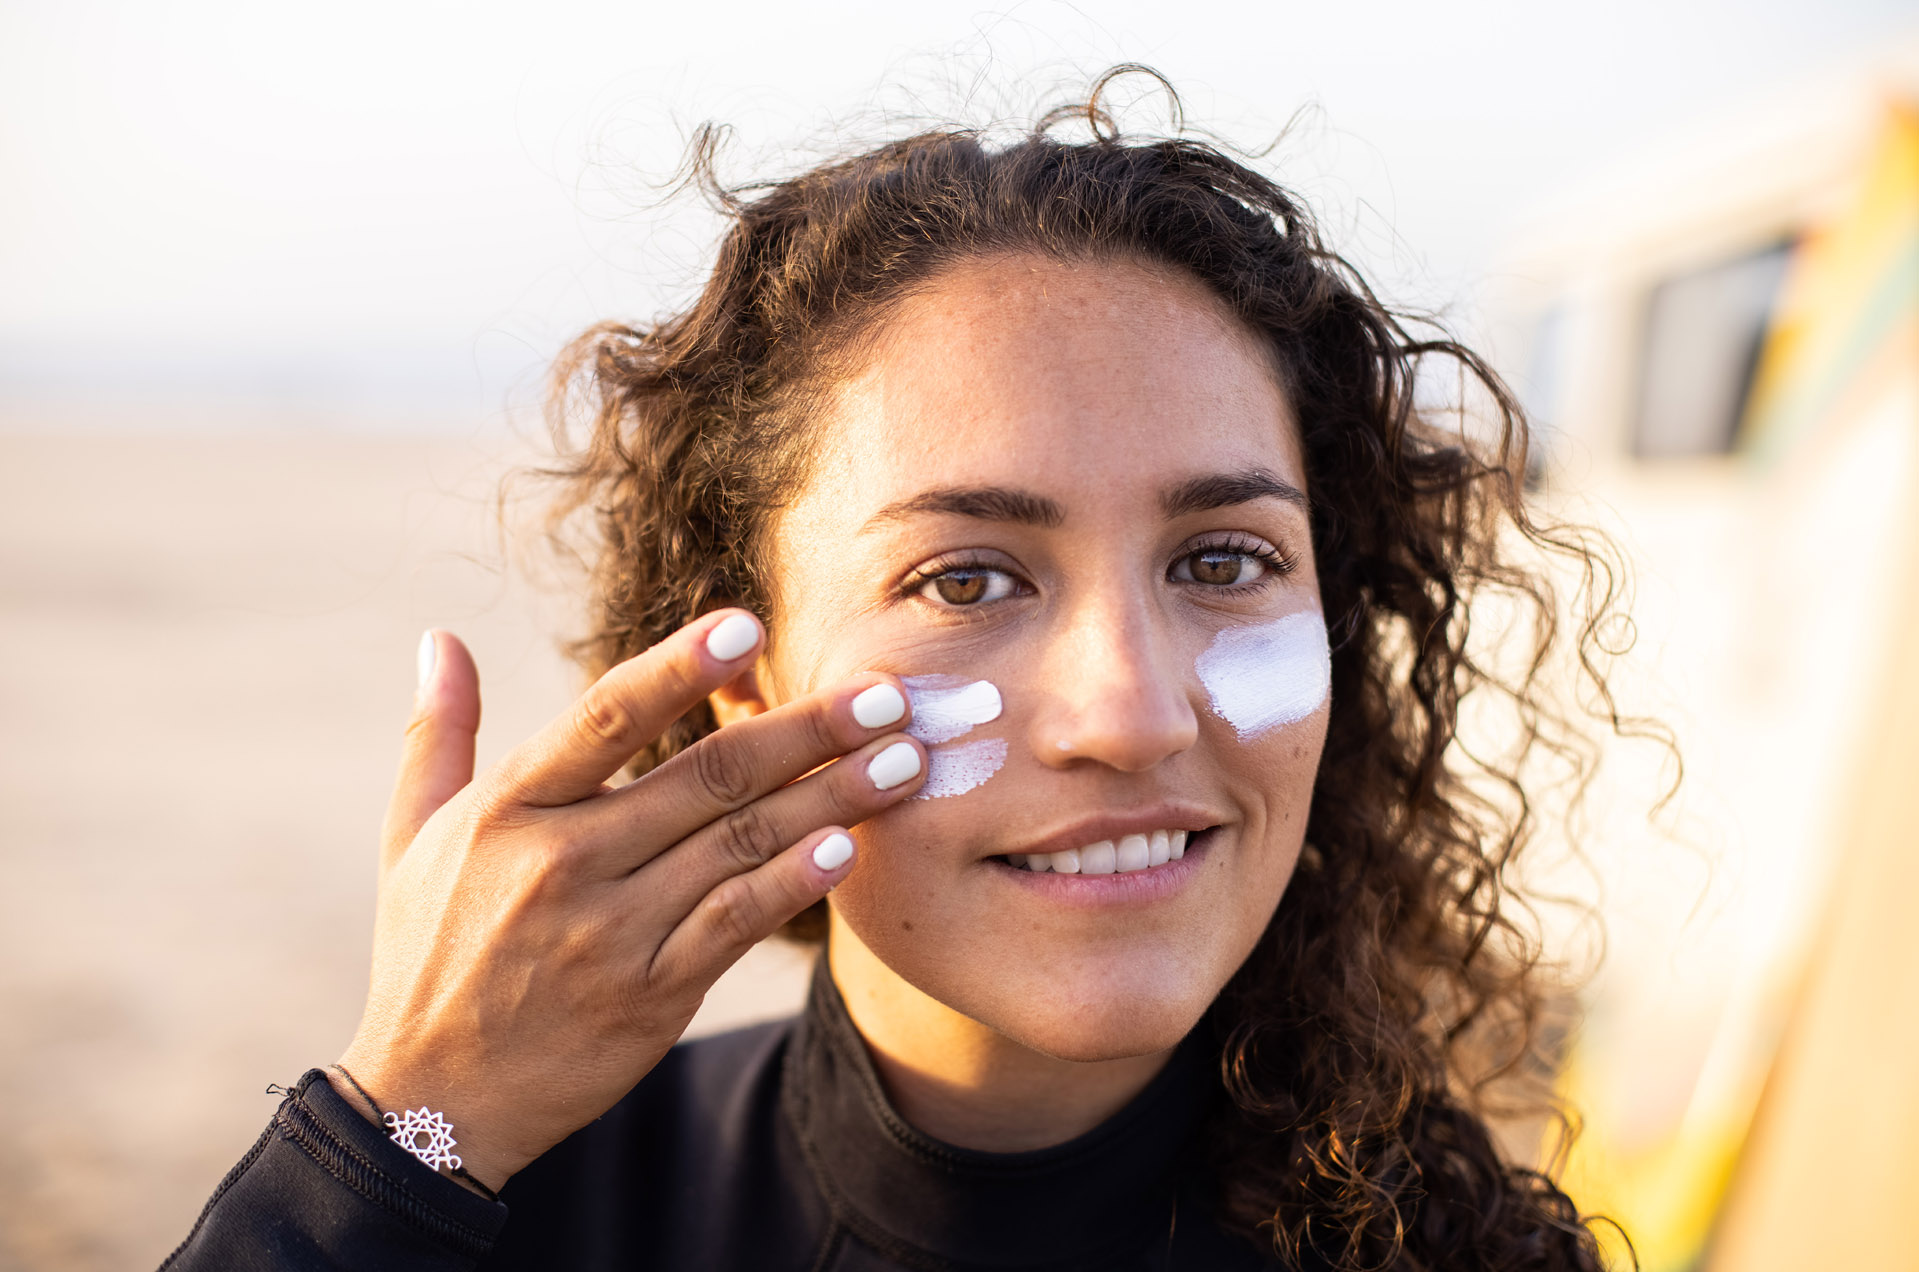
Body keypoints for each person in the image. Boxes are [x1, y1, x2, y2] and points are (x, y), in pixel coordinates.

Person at [163, 72, 1629, 1271]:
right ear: (739, 683)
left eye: (1222, 561)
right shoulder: (480, 1209)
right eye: (966, 579)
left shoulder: (1454, 1248)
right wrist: (396, 1130)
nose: (1129, 711)